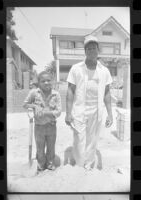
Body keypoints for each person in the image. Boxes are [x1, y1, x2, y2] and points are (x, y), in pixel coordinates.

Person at [65, 35, 113, 170]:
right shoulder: (76, 68)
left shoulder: (104, 71)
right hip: (79, 110)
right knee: (79, 138)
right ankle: (80, 164)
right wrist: (68, 113)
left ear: (98, 50)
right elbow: (70, 91)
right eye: (89, 48)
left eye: (94, 48)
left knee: (92, 140)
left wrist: (110, 114)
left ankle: (89, 165)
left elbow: (107, 93)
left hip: (96, 111)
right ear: (85, 51)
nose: (92, 51)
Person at [23, 71, 62, 172]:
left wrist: (45, 112)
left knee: (51, 147)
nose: (46, 83)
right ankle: (40, 165)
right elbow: (25, 104)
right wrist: (35, 106)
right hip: (39, 126)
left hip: (51, 126)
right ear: (39, 82)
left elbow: (58, 112)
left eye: (48, 80)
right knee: (40, 148)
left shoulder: (56, 94)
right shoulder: (34, 93)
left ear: (52, 81)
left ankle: (50, 164)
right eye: (43, 81)